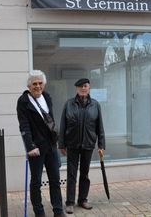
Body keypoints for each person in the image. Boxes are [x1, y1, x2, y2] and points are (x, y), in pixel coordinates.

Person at [16, 70, 66, 217]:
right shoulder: (23, 101)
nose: (38, 86)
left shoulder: (47, 96)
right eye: (34, 84)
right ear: (29, 86)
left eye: (40, 83)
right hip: (36, 148)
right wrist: (30, 146)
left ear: (43, 84)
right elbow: (24, 125)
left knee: (55, 180)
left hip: (51, 146)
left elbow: (50, 120)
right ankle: (39, 213)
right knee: (36, 182)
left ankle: (58, 211)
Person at [58, 78, 105, 214]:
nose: (83, 88)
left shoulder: (95, 105)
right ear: (76, 89)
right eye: (80, 87)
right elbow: (63, 125)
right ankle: (70, 202)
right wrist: (61, 144)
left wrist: (101, 144)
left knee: (85, 173)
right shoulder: (69, 104)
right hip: (72, 144)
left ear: (89, 88)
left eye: (85, 86)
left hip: (88, 144)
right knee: (71, 174)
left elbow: (99, 126)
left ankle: (83, 199)